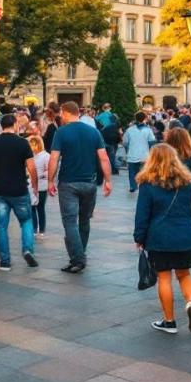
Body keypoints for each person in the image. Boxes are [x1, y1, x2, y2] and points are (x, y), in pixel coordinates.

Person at [133, 143, 191, 334]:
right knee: (184, 274)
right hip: (184, 236)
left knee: (164, 277)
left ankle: (169, 321)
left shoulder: (147, 185)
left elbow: (142, 215)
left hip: (159, 238)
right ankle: (190, 303)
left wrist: (139, 237)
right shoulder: (188, 183)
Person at [47, 101, 112, 274]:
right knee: (84, 220)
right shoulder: (94, 132)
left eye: (62, 113)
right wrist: (108, 180)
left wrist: (50, 181)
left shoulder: (61, 132)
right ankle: (79, 255)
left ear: (67, 113)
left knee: (69, 221)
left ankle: (78, 258)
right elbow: (104, 157)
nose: (61, 116)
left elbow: (54, 158)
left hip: (68, 182)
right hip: (89, 183)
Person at [0, 114, 38, 271]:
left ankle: (5, 262)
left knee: (1, 226)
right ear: (14, 125)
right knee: (26, 221)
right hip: (19, 189)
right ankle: (27, 249)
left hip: (0, 190)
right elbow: (31, 167)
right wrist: (34, 184)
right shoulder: (22, 143)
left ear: (1, 126)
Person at [122, 111, 157, 193]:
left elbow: (125, 143)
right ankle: (143, 186)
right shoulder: (148, 130)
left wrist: (128, 150)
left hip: (132, 154)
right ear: (144, 119)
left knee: (132, 172)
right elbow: (152, 142)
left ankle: (132, 186)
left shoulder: (129, 130)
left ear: (135, 119)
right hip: (144, 155)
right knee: (144, 172)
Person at [28, 134, 49, 239]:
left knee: (40, 207)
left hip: (41, 185)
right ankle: (34, 229)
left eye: (33, 145)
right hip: (30, 185)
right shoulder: (30, 156)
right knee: (31, 207)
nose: (31, 147)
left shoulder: (45, 156)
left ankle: (42, 230)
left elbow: (49, 170)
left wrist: (42, 175)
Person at [99, 111, 122, 175]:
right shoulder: (117, 125)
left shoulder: (106, 126)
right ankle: (113, 170)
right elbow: (120, 133)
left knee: (107, 157)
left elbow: (102, 134)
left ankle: (105, 169)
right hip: (113, 143)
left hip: (106, 142)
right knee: (112, 156)